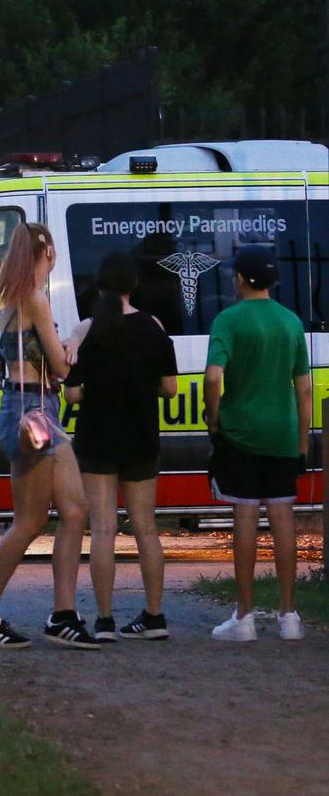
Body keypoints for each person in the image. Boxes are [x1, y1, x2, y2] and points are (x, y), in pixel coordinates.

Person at [0, 223, 98, 649]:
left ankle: (63, 613)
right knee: (30, 521)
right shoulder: (35, 299)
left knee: (75, 510)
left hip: (30, 411)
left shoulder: (12, 300)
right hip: (34, 414)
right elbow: (60, 368)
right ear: (49, 253)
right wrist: (77, 335)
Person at [64, 252, 178, 642]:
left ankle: (105, 621)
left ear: (98, 286)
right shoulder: (154, 327)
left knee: (103, 531)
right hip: (142, 436)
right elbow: (170, 388)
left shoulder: (87, 329)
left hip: (97, 438)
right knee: (146, 528)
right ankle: (154, 616)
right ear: (134, 285)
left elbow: (74, 394)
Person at [203, 245, 311, 642]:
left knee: (245, 517)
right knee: (283, 519)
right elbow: (304, 391)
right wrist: (301, 444)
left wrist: (213, 419)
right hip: (282, 433)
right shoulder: (291, 322)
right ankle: (290, 616)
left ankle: (244, 617)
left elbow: (214, 378)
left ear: (241, 279)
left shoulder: (228, 320)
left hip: (241, 433)